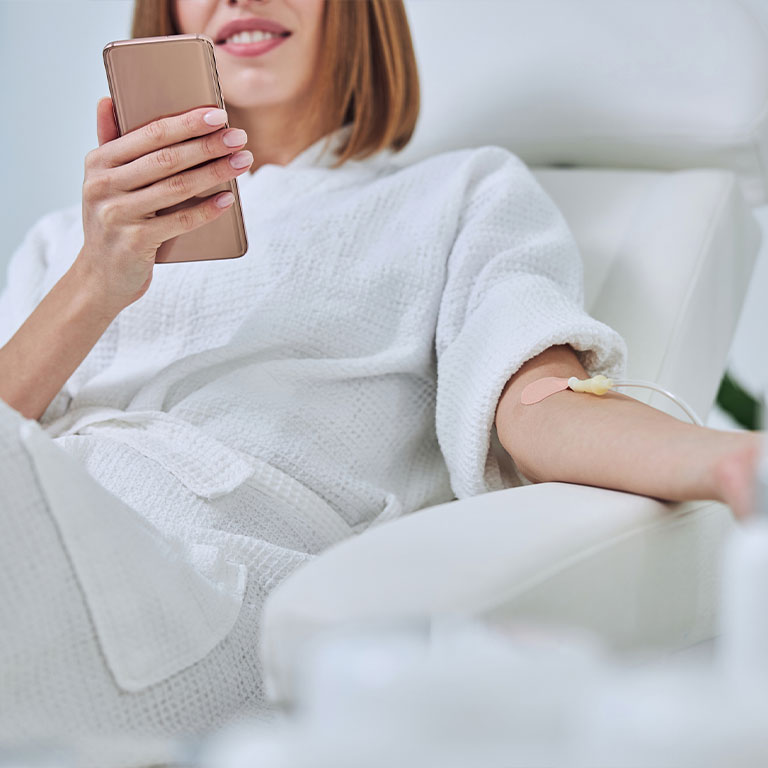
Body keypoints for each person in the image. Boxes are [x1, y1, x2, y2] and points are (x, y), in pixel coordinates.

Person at [0, 0, 763, 759]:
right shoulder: (74, 238)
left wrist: (732, 461)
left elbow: (538, 404)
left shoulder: (457, 195)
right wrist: (96, 279)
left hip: (199, 597)